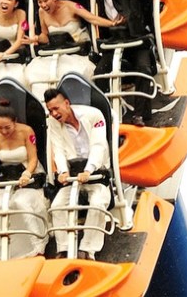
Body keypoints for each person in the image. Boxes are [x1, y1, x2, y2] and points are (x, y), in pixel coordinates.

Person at [52, 0, 155, 126]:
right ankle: (106, 114)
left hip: (135, 38)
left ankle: (140, 115)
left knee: (143, 69)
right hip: (113, 40)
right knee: (100, 74)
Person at [44, 89, 111, 260]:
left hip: (96, 171)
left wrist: (89, 169)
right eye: (50, 110)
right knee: (58, 205)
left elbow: (98, 145)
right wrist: (62, 170)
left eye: (56, 108)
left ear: (67, 103)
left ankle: (88, 249)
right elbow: (57, 148)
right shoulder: (53, 122)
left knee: (97, 203)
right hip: (74, 174)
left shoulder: (94, 115)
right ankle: (64, 249)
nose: (54, 113)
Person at [22, 0, 116, 99]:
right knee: (36, 72)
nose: (43, 5)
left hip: (78, 52)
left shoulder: (72, 6)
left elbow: (93, 19)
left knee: (72, 72)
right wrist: (36, 38)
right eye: (39, 2)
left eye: (45, 0)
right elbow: (45, 36)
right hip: (56, 53)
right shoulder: (42, 12)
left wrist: (112, 23)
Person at [0, 104, 48, 261]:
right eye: (0, 128)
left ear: (15, 122)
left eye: (7, 127)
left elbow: (33, 158)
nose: (4, 131)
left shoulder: (26, 131)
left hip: (29, 176)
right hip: (7, 178)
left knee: (22, 203)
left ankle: (37, 246)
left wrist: (27, 174)